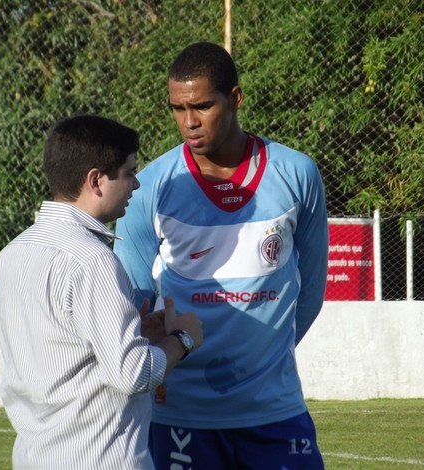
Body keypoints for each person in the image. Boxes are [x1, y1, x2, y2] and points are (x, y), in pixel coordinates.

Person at [114, 42, 329, 469]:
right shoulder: (152, 186)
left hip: (274, 408)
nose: (188, 122)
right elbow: (133, 303)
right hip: (181, 413)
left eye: (202, 106)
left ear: (234, 99)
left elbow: (311, 292)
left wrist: (265, 358)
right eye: (177, 108)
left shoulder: (297, 173)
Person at [0, 114, 203, 470]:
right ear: (96, 180)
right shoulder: (93, 259)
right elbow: (133, 375)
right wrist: (182, 339)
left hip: (34, 457)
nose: (136, 184)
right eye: (128, 172)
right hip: (98, 458)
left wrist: (136, 336)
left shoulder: (13, 253)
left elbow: (65, 349)